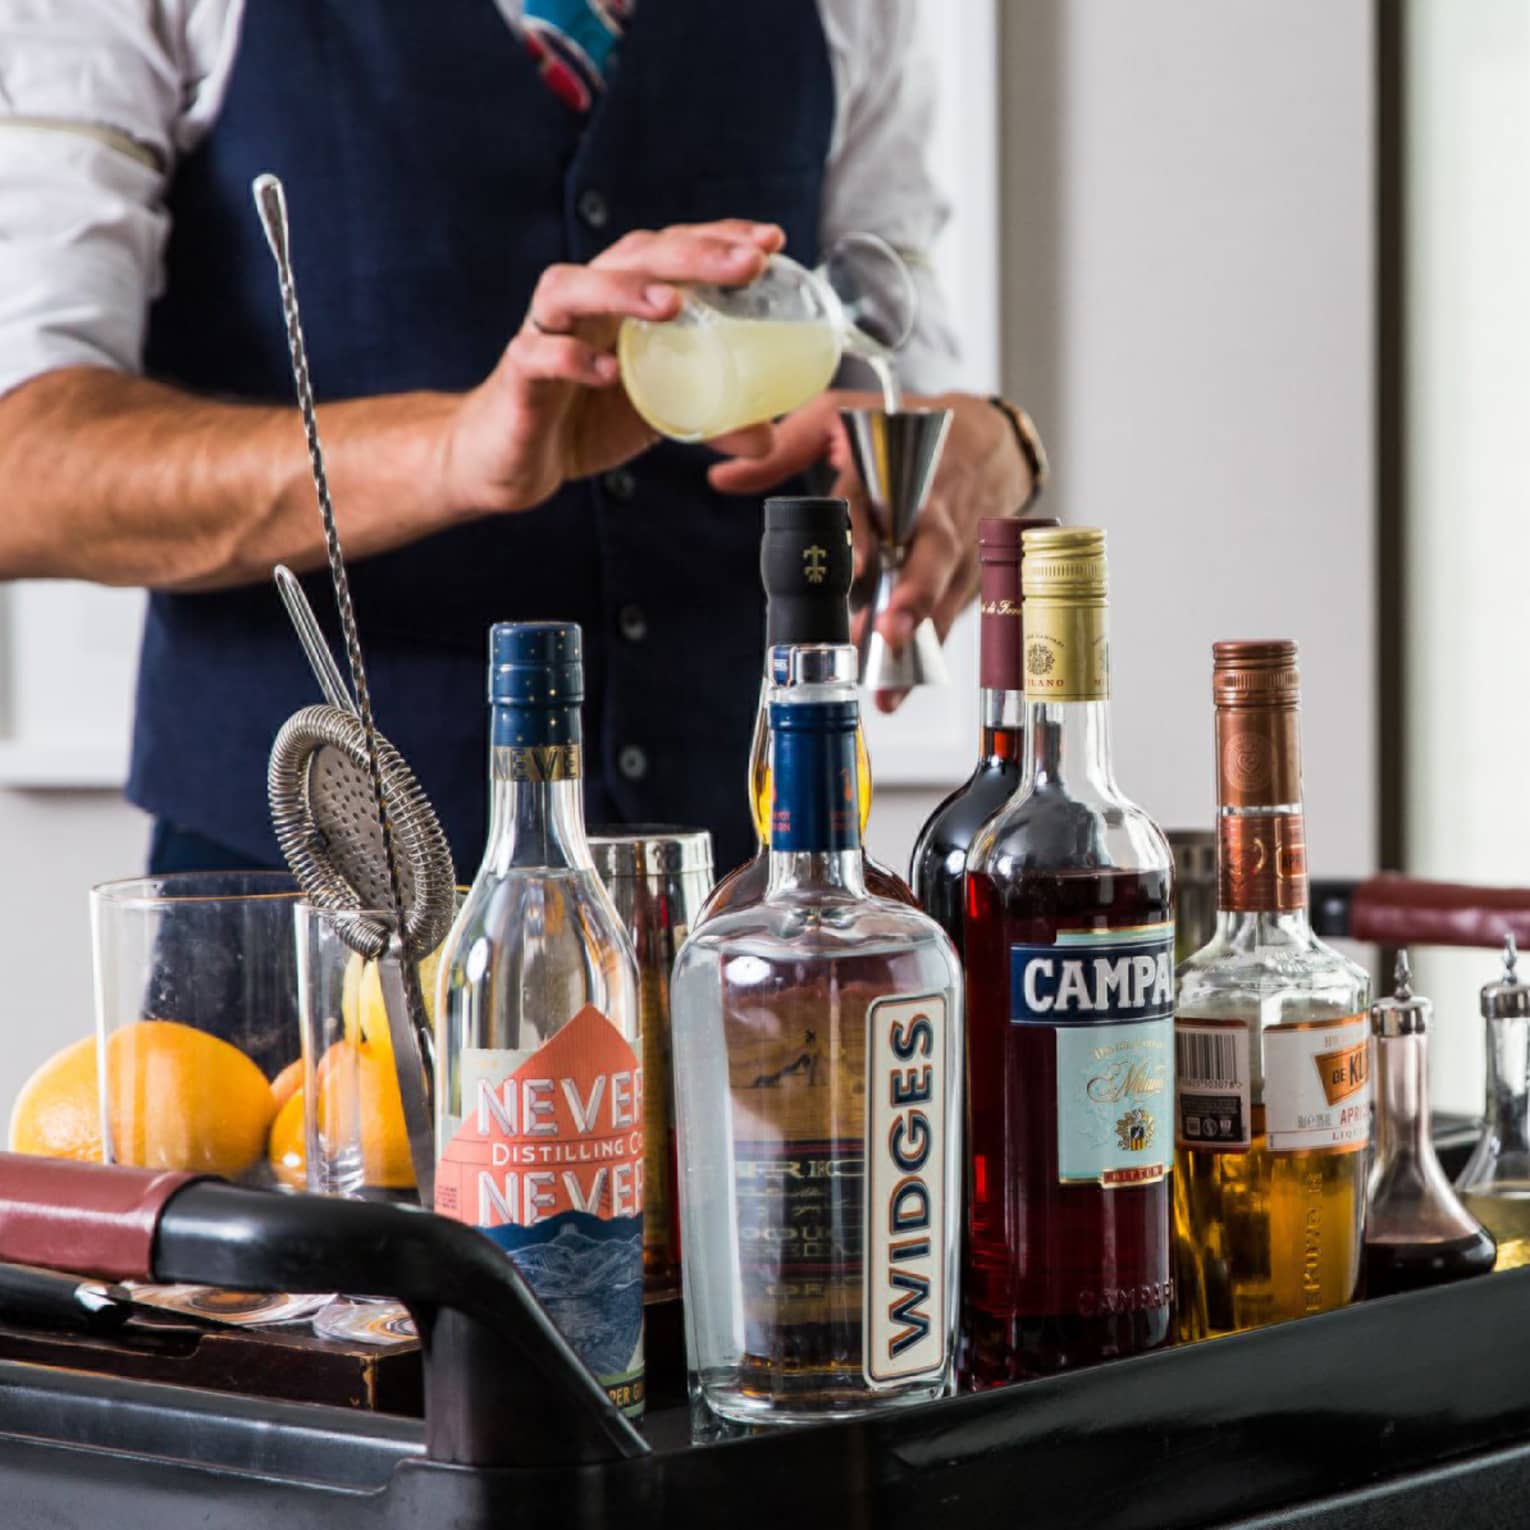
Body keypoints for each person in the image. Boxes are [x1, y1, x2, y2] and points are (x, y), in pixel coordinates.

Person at [0, 0, 1041, 877]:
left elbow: (896, 353)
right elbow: (23, 465)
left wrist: (992, 442)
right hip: (317, 921)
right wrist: (454, 451)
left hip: (741, 910)